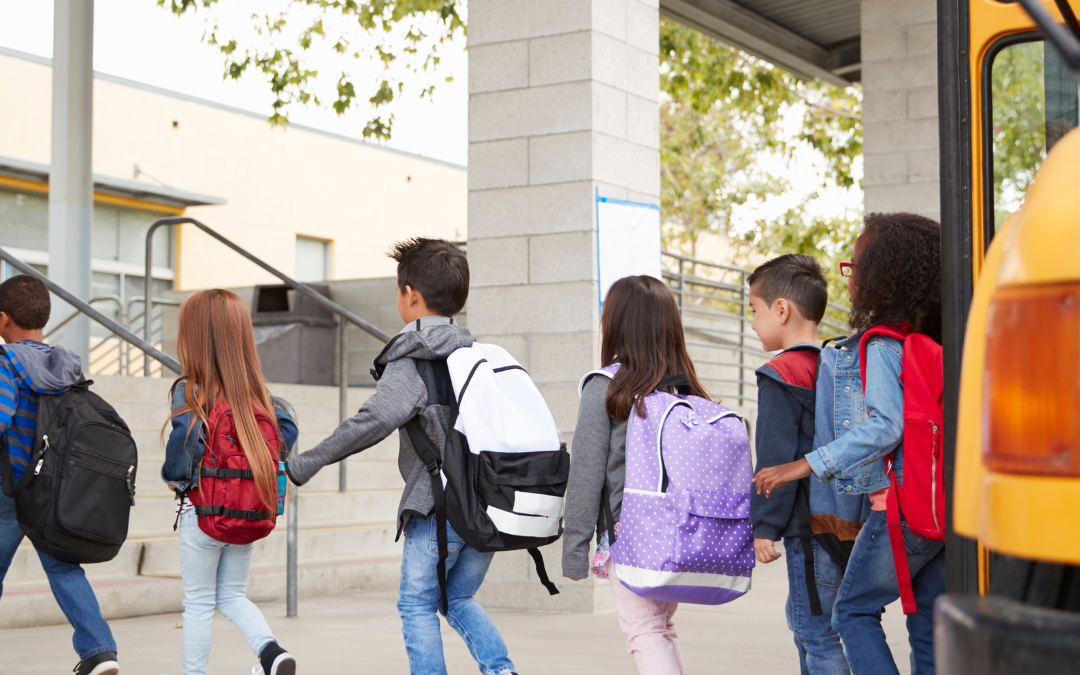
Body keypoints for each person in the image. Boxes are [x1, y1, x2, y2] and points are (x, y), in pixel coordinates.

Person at [284, 238, 517, 675]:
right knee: (459, 598)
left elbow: (376, 418)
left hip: (438, 508)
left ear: (410, 294)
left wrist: (305, 462)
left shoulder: (411, 357)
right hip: (486, 507)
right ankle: (501, 671)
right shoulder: (476, 355)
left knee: (416, 605)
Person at [753, 213, 945, 675]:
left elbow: (885, 428)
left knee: (851, 612)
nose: (850, 278)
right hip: (944, 503)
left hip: (901, 507)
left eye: (855, 267)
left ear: (883, 277)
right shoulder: (936, 342)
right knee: (926, 624)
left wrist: (803, 466)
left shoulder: (879, 345)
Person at [562, 275, 712, 675]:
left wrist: (575, 551)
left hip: (631, 535)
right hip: (680, 531)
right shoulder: (686, 389)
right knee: (660, 625)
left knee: (644, 630)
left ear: (616, 325)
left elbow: (586, 473)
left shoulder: (608, 387)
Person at [162, 289, 299, 675]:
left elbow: (184, 443)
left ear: (194, 336)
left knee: (200, 602)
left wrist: (175, 477)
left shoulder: (189, 388)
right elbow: (287, 429)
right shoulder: (257, 393)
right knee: (234, 595)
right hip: (246, 507)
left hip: (202, 511)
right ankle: (272, 654)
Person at [748, 254, 866, 675]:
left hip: (807, 526)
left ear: (781, 309)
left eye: (755, 310)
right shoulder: (842, 366)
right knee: (829, 623)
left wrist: (763, 527)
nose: (754, 322)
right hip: (852, 518)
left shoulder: (781, 373)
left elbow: (775, 458)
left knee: (816, 632)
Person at [0, 275, 121, 675]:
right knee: (64, 567)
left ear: (3, 320)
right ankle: (99, 651)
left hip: (9, 490)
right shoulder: (64, 365)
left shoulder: (6, 364)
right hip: (52, 489)